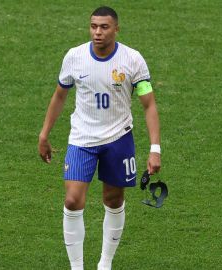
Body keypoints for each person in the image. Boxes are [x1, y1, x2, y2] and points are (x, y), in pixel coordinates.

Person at [38, 6, 161, 270]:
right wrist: (44, 134)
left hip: (118, 139)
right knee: (72, 200)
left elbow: (149, 104)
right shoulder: (75, 57)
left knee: (113, 199)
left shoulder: (133, 60)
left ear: (116, 29)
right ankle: (77, 267)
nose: (97, 32)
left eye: (104, 27)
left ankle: (105, 264)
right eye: (93, 26)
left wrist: (155, 149)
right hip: (82, 139)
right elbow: (60, 95)